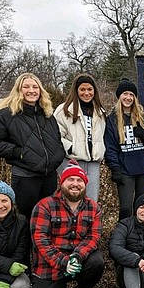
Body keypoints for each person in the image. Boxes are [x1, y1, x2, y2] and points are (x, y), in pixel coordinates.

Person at [0, 72, 65, 220]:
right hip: (25, 176)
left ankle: (42, 244)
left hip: (49, 177)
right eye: (26, 87)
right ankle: (25, 244)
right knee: (25, 219)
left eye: (35, 87)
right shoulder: (7, 115)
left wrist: (58, 155)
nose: (31, 90)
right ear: (19, 90)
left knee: (47, 218)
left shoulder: (48, 115)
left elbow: (57, 139)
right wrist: (17, 152)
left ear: (40, 90)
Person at [29, 161, 104, 288]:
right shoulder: (44, 206)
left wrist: (77, 256)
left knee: (97, 261)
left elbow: (93, 238)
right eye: (70, 180)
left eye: (79, 181)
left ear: (85, 185)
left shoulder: (93, 208)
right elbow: (40, 240)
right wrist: (63, 262)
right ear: (62, 182)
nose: (75, 184)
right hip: (50, 264)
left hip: (77, 260)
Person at [104, 77, 144, 222]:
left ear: (135, 97)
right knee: (126, 207)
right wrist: (115, 167)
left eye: (131, 95)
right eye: (125, 94)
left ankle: (143, 236)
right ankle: (123, 235)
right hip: (125, 170)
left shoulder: (143, 116)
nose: (128, 98)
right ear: (119, 96)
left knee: (142, 205)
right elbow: (110, 147)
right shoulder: (112, 120)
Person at [54, 73, 106, 202]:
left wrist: (101, 151)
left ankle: (88, 222)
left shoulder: (100, 112)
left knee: (91, 200)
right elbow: (55, 135)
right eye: (82, 89)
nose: (86, 93)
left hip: (92, 162)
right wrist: (71, 148)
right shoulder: (64, 110)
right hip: (71, 161)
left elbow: (102, 136)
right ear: (76, 90)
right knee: (70, 198)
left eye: (90, 89)